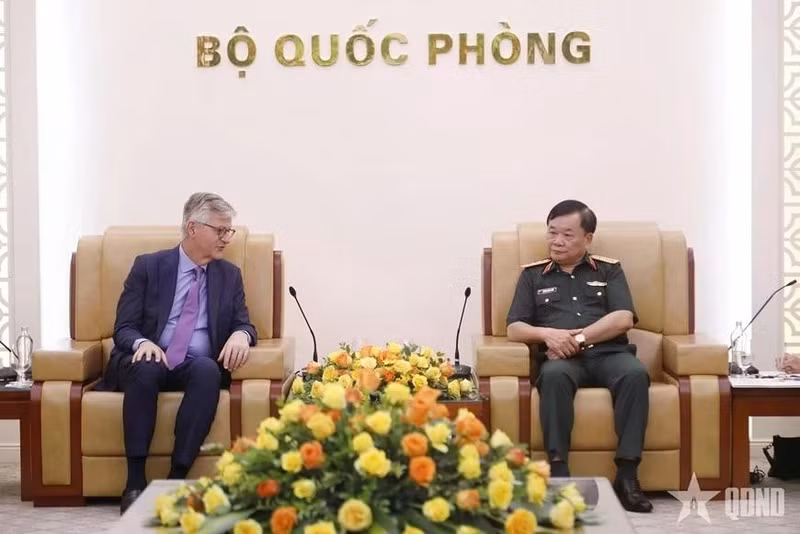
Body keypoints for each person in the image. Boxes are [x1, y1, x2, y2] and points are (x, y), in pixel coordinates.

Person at [99, 192, 256, 513]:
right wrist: (143, 343)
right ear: (193, 228)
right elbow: (124, 328)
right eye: (220, 230)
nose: (227, 238)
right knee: (145, 367)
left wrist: (242, 335)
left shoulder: (229, 277)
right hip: (149, 359)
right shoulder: (149, 267)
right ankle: (134, 482)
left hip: (194, 363)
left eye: (230, 231)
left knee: (208, 370)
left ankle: (176, 478)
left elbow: (244, 323)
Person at [505, 200, 653, 513]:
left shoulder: (610, 270)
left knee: (635, 374)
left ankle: (627, 475)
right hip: (561, 359)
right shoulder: (533, 276)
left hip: (609, 352)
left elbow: (623, 318)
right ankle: (558, 474)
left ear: (588, 238)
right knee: (554, 377)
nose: (557, 241)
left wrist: (580, 338)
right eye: (552, 233)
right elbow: (514, 327)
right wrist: (547, 335)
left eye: (567, 235)